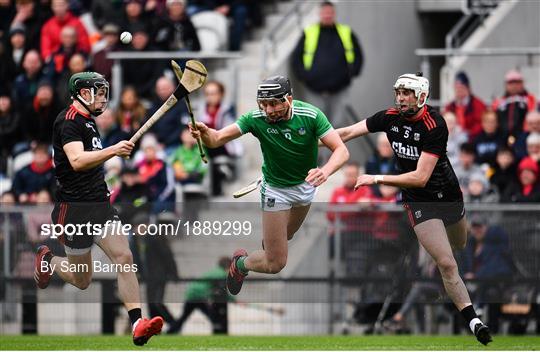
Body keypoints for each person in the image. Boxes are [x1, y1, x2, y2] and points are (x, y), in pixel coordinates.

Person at [332, 72, 492, 345]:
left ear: (421, 97)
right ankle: (474, 321)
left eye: (407, 93)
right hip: (419, 202)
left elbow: (420, 176)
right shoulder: (389, 117)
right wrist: (307, 140)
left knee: (460, 245)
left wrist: (377, 178)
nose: (401, 98)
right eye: (399, 92)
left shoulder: (435, 124)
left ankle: (451, 289)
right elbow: (345, 133)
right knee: (446, 263)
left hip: (447, 196)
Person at [33, 71, 164, 345]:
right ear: (83, 93)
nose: (104, 98)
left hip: (100, 206)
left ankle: (137, 323)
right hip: (74, 211)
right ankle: (48, 260)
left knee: (125, 257)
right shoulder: (68, 121)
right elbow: (78, 160)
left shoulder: (89, 122)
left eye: (105, 92)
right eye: (99, 92)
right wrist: (114, 150)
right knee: (82, 280)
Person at [190, 75, 349, 295]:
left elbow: (341, 150)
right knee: (276, 264)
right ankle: (240, 264)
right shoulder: (256, 118)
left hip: (305, 188)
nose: (269, 110)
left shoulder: (310, 115)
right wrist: (206, 134)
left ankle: (270, 246)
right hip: (276, 190)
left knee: (283, 239)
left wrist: (325, 171)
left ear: (289, 99)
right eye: (264, 104)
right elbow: (217, 139)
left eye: (274, 103)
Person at [291, 1, 362, 128]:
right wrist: (304, 77)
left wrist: (352, 73)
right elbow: (296, 58)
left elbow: (358, 54)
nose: (327, 15)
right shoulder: (309, 32)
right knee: (316, 126)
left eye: (330, 12)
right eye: (325, 13)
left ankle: (336, 149)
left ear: (334, 14)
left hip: (340, 89)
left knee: (339, 126)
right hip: (314, 90)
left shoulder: (345, 32)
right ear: (320, 14)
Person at [167, 257, 232, 334]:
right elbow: (222, 291)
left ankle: (170, 331)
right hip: (199, 296)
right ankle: (219, 331)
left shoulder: (214, 271)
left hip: (191, 294)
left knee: (184, 317)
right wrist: (234, 300)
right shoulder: (221, 274)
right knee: (213, 316)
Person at [492, 69, 537, 146]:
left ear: (522, 83)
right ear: (506, 85)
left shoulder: (531, 99)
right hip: (502, 136)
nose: (514, 86)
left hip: (523, 136)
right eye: (511, 83)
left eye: (517, 82)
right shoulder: (498, 101)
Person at [443, 71, 486, 140]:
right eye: (457, 87)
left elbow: (482, 124)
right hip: (453, 140)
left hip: (472, 140)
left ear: (468, 88)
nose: (459, 90)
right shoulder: (450, 107)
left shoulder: (478, 105)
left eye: (461, 87)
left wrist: (469, 134)